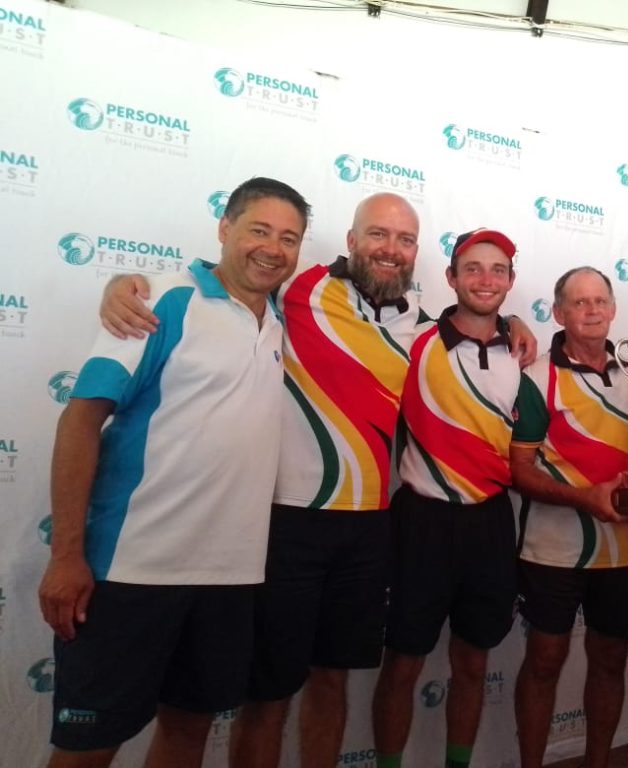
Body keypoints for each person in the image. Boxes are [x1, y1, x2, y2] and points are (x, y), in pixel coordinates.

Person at [99, 196, 536, 768]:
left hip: (369, 528)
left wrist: (514, 323)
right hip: (289, 522)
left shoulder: (418, 324)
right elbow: (228, 276)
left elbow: (473, 323)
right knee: (270, 693)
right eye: (377, 234)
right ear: (351, 240)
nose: (390, 248)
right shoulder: (296, 287)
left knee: (331, 681)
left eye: (405, 239)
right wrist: (128, 284)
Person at [38, 177, 309, 768]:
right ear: (224, 228)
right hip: (131, 571)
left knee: (189, 734)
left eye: (289, 238)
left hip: (231, 577)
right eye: (259, 230)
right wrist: (66, 555)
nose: (272, 248)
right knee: (86, 750)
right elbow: (80, 421)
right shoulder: (161, 299)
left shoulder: (281, 320)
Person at [372, 228, 522, 768]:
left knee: (474, 662)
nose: (485, 279)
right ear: (451, 277)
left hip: (491, 522)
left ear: (511, 281)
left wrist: (517, 325)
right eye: (473, 268)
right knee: (402, 663)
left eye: (498, 269)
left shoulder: (522, 353)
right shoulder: (412, 339)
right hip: (422, 522)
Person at [510, 266, 628, 768]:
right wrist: (584, 498)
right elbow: (519, 471)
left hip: (627, 547)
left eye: (599, 301)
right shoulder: (535, 377)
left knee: (611, 660)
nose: (591, 311)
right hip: (553, 549)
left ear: (613, 309)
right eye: (579, 302)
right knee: (544, 660)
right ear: (558, 313)